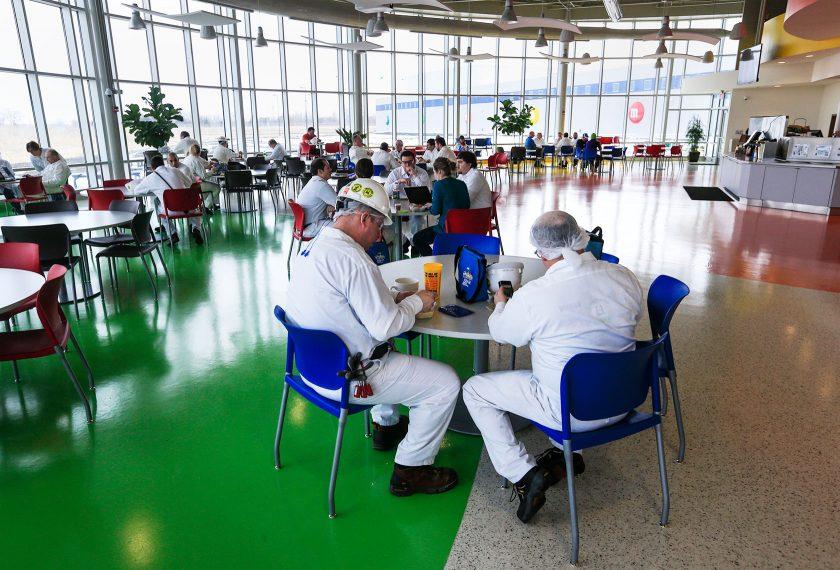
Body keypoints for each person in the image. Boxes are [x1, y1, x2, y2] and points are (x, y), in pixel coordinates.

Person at [463, 211, 643, 524]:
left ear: (543, 254)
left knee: (476, 390)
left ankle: (522, 473)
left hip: (571, 412)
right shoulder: (623, 276)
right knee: (577, 362)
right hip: (625, 398)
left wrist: (503, 301)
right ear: (581, 239)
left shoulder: (537, 295)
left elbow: (504, 334)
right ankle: (567, 455)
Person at [286, 178, 460, 496]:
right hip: (353, 379)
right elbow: (384, 327)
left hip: (313, 370)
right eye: (378, 226)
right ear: (364, 218)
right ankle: (412, 469)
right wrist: (415, 301)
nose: (379, 236)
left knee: (384, 347)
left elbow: (343, 303)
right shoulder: (354, 260)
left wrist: (390, 297)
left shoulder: (313, 246)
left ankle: (386, 427)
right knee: (445, 384)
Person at [131, 154, 203, 244]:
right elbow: (189, 183)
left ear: (152, 167)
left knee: (159, 207)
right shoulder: (175, 170)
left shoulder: (150, 178)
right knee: (194, 210)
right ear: (164, 163)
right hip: (188, 208)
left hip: (171, 210)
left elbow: (137, 191)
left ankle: (172, 234)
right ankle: (196, 228)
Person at [411, 157, 470, 256]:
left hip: (446, 228)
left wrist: (429, 206)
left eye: (434, 172)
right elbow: (467, 205)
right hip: (463, 227)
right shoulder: (461, 183)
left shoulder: (439, 185)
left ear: (440, 171)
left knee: (417, 239)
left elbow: (435, 211)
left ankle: (432, 260)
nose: (434, 175)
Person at [295, 157, 337, 238]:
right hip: (312, 226)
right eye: (328, 168)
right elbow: (339, 204)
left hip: (303, 226)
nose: (331, 169)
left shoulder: (312, 182)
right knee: (344, 228)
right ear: (320, 171)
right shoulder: (321, 185)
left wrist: (330, 206)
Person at [182, 144, 220, 211]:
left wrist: (209, 163)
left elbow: (203, 162)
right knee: (217, 187)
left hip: (186, 185)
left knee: (208, 186)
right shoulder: (196, 160)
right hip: (195, 185)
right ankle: (205, 207)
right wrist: (212, 171)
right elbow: (203, 176)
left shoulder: (187, 158)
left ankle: (210, 205)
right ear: (200, 152)